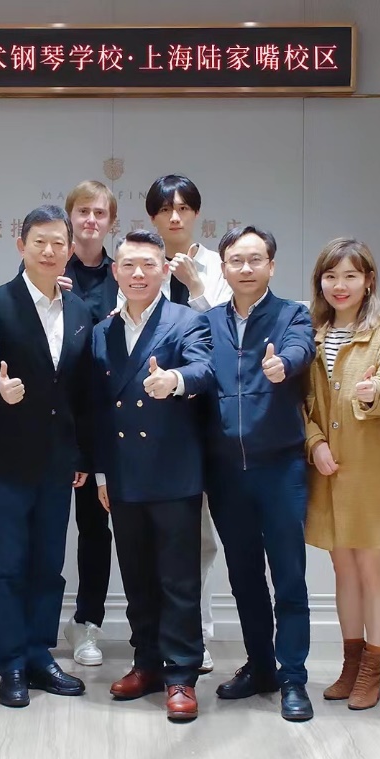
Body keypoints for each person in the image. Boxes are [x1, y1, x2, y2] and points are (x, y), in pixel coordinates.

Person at [0, 205, 94, 707]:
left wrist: (80, 453)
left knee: (49, 565)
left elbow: (80, 393)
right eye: (39, 241)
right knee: (7, 566)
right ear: (21, 245)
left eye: (59, 242)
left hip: (58, 463)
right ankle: (13, 664)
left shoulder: (79, 311)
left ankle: (41, 655)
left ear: (70, 249)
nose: (49, 251)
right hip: (6, 460)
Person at [93, 229, 215, 722]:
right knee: (137, 576)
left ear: (165, 270)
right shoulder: (102, 331)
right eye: (128, 265)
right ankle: (145, 663)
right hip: (123, 474)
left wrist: (176, 380)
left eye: (148, 264)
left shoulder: (187, 320)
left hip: (173, 472)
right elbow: (98, 408)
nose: (138, 274)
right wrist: (101, 473)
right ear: (115, 272)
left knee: (178, 579)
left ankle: (181, 674)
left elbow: (207, 368)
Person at [203, 226, 316, 722]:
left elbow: (301, 349)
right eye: (236, 260)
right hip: (226, 471)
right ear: (223, 267)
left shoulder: (293, 315)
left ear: (271, 265)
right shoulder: (208, 322)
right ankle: (261, 667)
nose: (245, 268)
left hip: (280, 467)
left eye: (255, 259)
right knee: (244, 576)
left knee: (289, 576)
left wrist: (282, 366)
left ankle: (293, 678)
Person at [304, 237, 380, 712]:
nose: (339, 285)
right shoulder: (311, 332)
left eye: (350, 275)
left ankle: (372, 669)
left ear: (368, 280)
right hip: (326, 468)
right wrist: (314, 443)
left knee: (371, 569)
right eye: (331, 276)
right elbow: (301, 402)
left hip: (370, 470)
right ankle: (350, 665)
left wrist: (372, 394)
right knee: (341, 569)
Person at [145, 174, 230, 671]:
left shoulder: (219, 266)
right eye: (165, 209)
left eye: (183, 208)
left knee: (201, 538)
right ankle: (156, 636)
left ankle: (198, 634)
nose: (175, 217)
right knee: (152, 536)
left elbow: (228, 335)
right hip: (151, 418)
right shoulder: (141, 263)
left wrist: (197, 288)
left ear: (196, 213)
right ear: (153, 217)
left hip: (205, 414)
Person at [58, 180, 120, 667]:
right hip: (58, 423)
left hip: (111, 423)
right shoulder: (49, 269)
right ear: (70, 217)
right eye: (83, 211)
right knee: (51, 529)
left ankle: (89, 623)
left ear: (111, 222)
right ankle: (44, 628)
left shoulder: (126, 275)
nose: (91, 220)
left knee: (100, 529)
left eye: (100, 213)